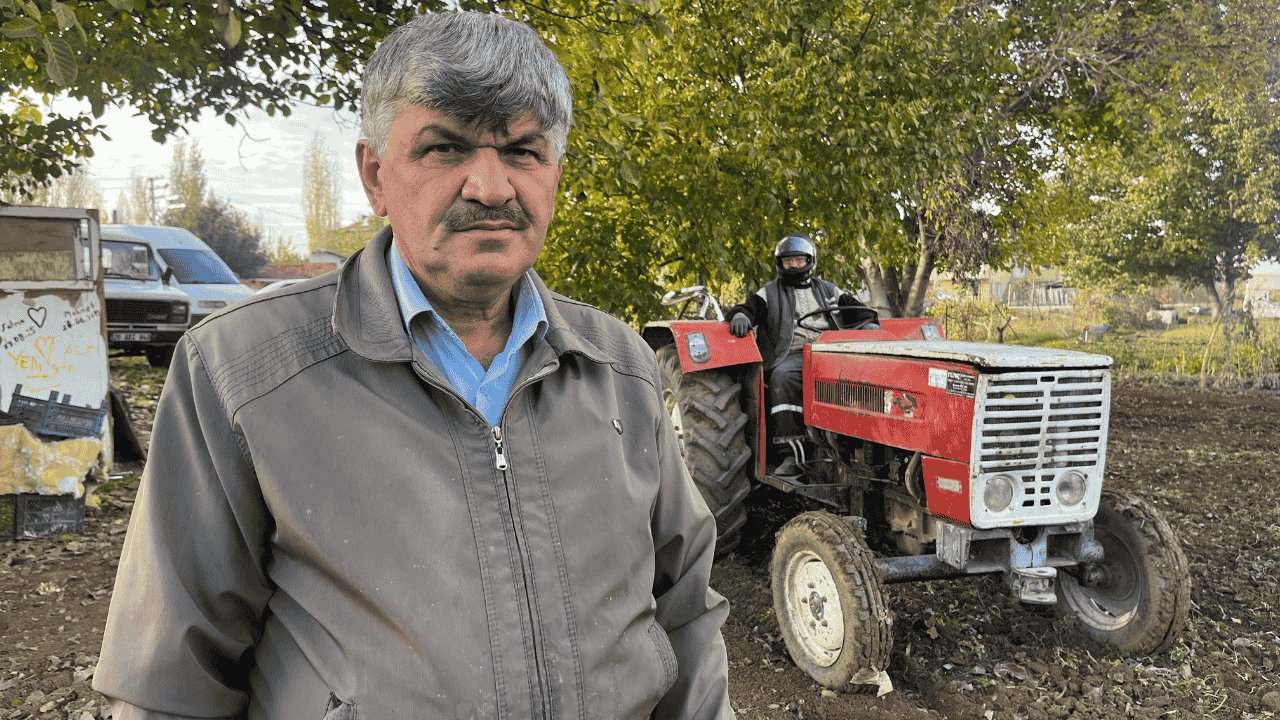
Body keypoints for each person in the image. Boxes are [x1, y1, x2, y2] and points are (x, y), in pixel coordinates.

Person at [94, 12, 734, 720]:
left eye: (524, 150)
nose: (490, 186)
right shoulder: (240, 374)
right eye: (444, 148)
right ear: (375, 175)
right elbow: (173, 684)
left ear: (555, 170)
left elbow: (688, 623)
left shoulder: (621, 369)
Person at [726, 233, 878, 477]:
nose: (794, 265)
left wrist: (870, 323)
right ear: (780, 264)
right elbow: (747, 308)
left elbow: (858, 310)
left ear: (810, 260)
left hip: (830, 353)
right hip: (790, 355)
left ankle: (859, 448)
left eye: (799, 260)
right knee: (783, 377)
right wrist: (740, 316)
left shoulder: (828, 290)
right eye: (788, 261)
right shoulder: (769, 293)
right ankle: (790, 454)